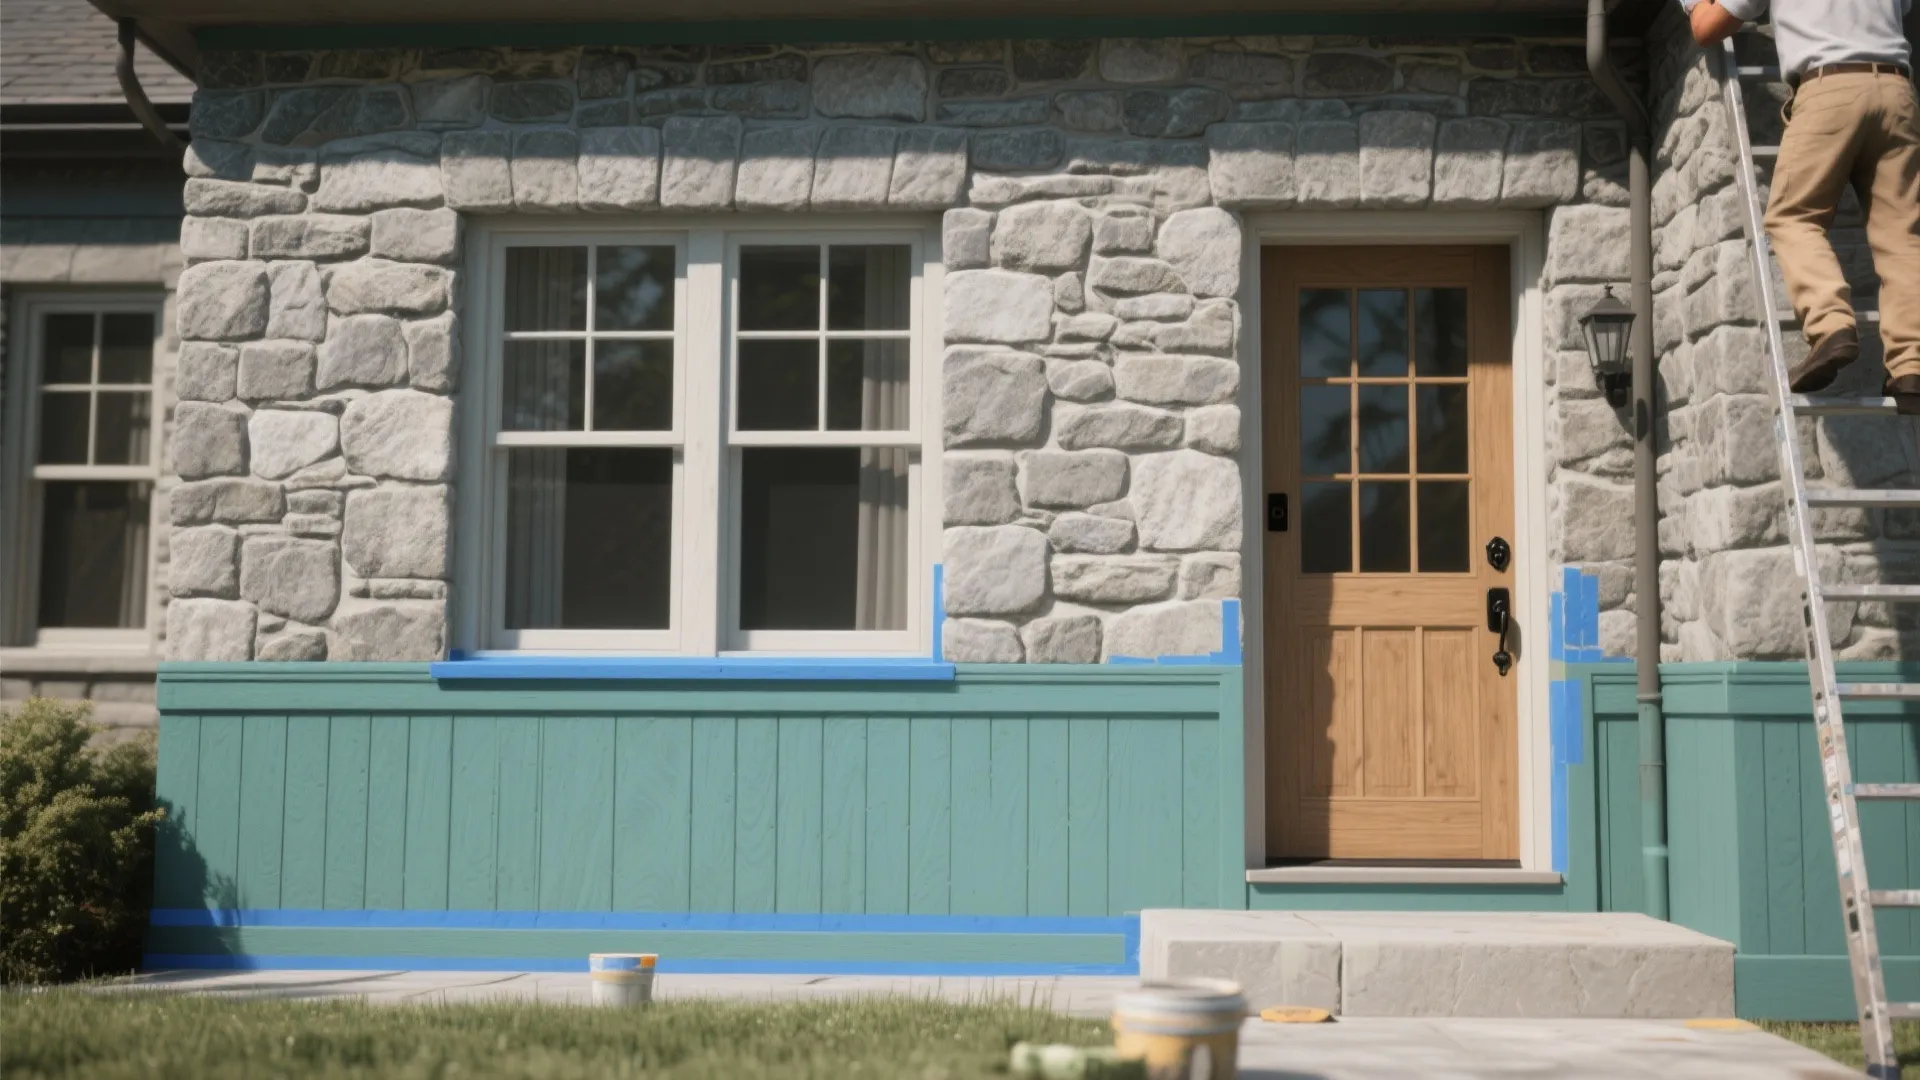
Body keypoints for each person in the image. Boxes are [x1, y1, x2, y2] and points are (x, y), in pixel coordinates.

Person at [1686, 0, 1919, 414]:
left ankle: (1831, 325)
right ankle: (1911, 364)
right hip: (1898, 92)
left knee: (1792, 216)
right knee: (1901, 238)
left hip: (1830, 87)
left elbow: (1708, 26)